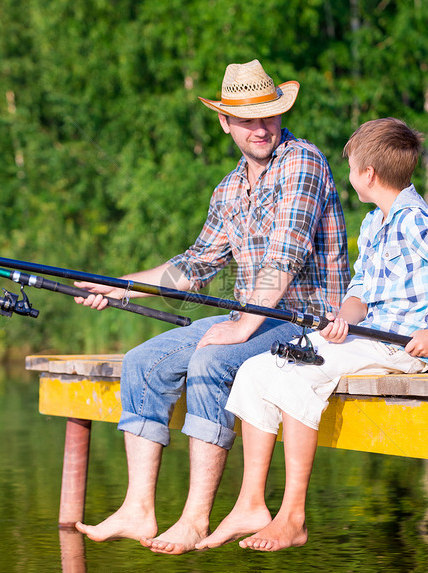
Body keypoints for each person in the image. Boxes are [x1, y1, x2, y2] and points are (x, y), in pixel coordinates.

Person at [72, 60, 350, 555]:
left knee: (212, 358)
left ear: (281, 115)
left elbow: (285, 255)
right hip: (250, 316)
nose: (261, 128)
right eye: (247, 119)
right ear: (225, 122)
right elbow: (194, 267)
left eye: (268, 116)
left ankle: (196, 519)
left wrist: (242, 326)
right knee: (142, 362)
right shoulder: (228, 190)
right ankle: (138, 509)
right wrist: (119, 287)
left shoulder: (303, 161)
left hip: (309, 322)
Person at [197, 117, 428, 552]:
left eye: (353, 168)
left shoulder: (415, 221)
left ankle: (293, 518)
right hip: (364, 337)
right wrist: (342, 317)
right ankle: (249, 503)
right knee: (257, 369)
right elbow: (360, 291)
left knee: (299, 377)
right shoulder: (376, 222)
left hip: (404, 346)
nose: (350, 176)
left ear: (368, 175)